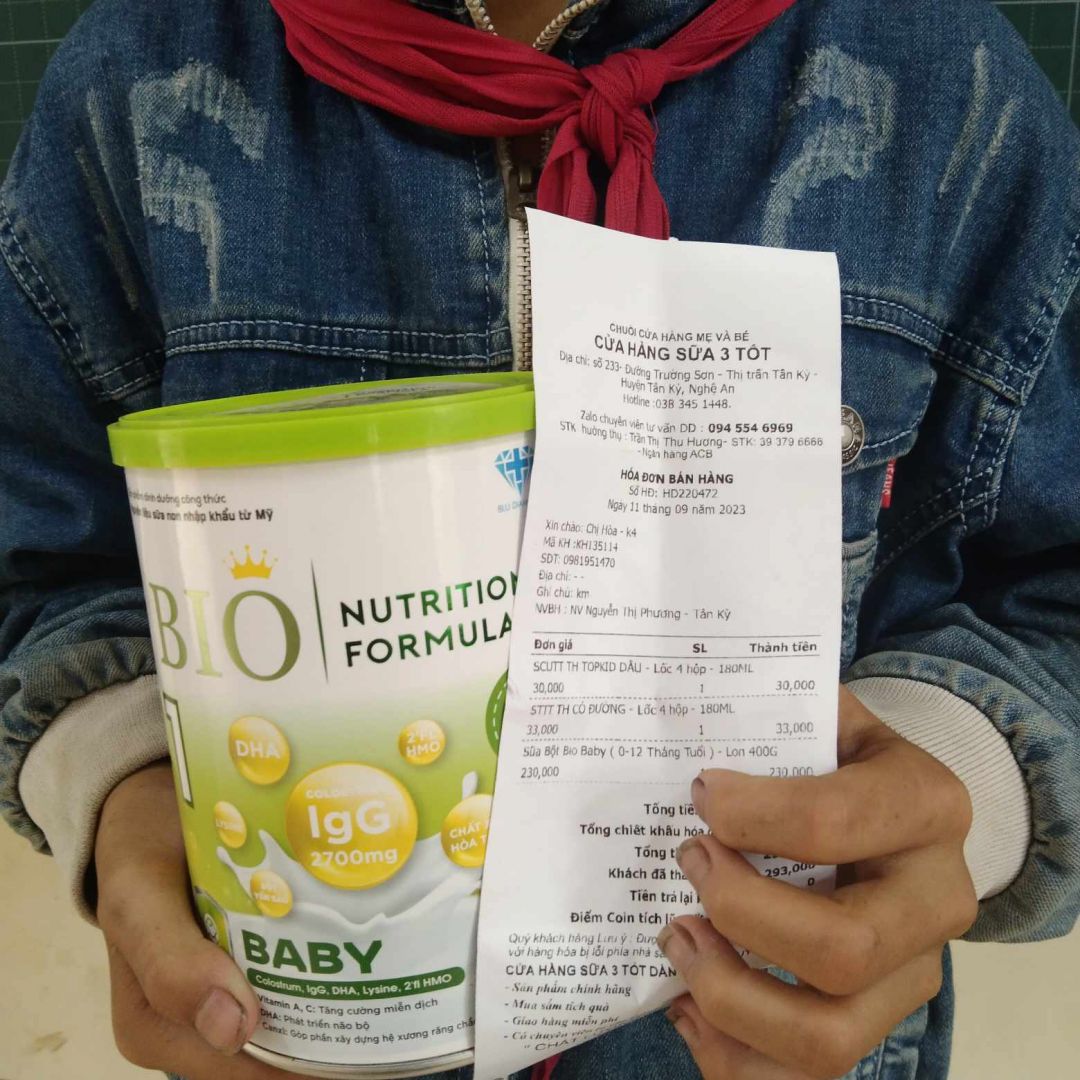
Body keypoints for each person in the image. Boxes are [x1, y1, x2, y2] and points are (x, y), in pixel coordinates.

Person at [1, 0, 1078, 1078]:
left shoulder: (957, 98)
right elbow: (43, 561)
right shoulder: (134, 87)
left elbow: (1055, 587)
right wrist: (121, 776)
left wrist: (954, 796)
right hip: (311, 1007)